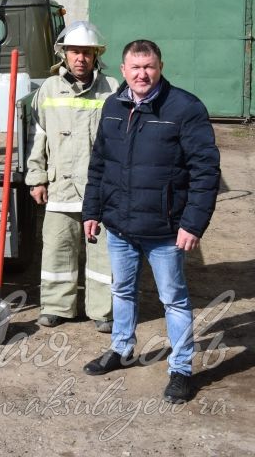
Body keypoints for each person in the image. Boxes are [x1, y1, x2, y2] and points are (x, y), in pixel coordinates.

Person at [82, 39, 220, 404]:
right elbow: (100, 165)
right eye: (135, 67)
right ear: (123, 71)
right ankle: (122, 347)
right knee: (122, 290)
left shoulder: (184, 108)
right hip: (120, 225)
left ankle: (181, 370)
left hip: (165, 229)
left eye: (149, 67)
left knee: (173, 299)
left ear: (159, 68)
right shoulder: (113, 105)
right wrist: (92, 210)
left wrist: (193, 223)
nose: (142, 74)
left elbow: (205, 172)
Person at [26, 20, 118, 333]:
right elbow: (39, 136)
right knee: (56, 249)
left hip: (100, 189)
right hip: (60, 186)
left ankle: (102, 311)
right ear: (64, 55)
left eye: (87, 52)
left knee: (103, 255)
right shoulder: (48, 90)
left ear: (96, 56)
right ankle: (56, 307)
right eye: (74, 51)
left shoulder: (113, 89)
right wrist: (36, 177)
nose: (80, 58)